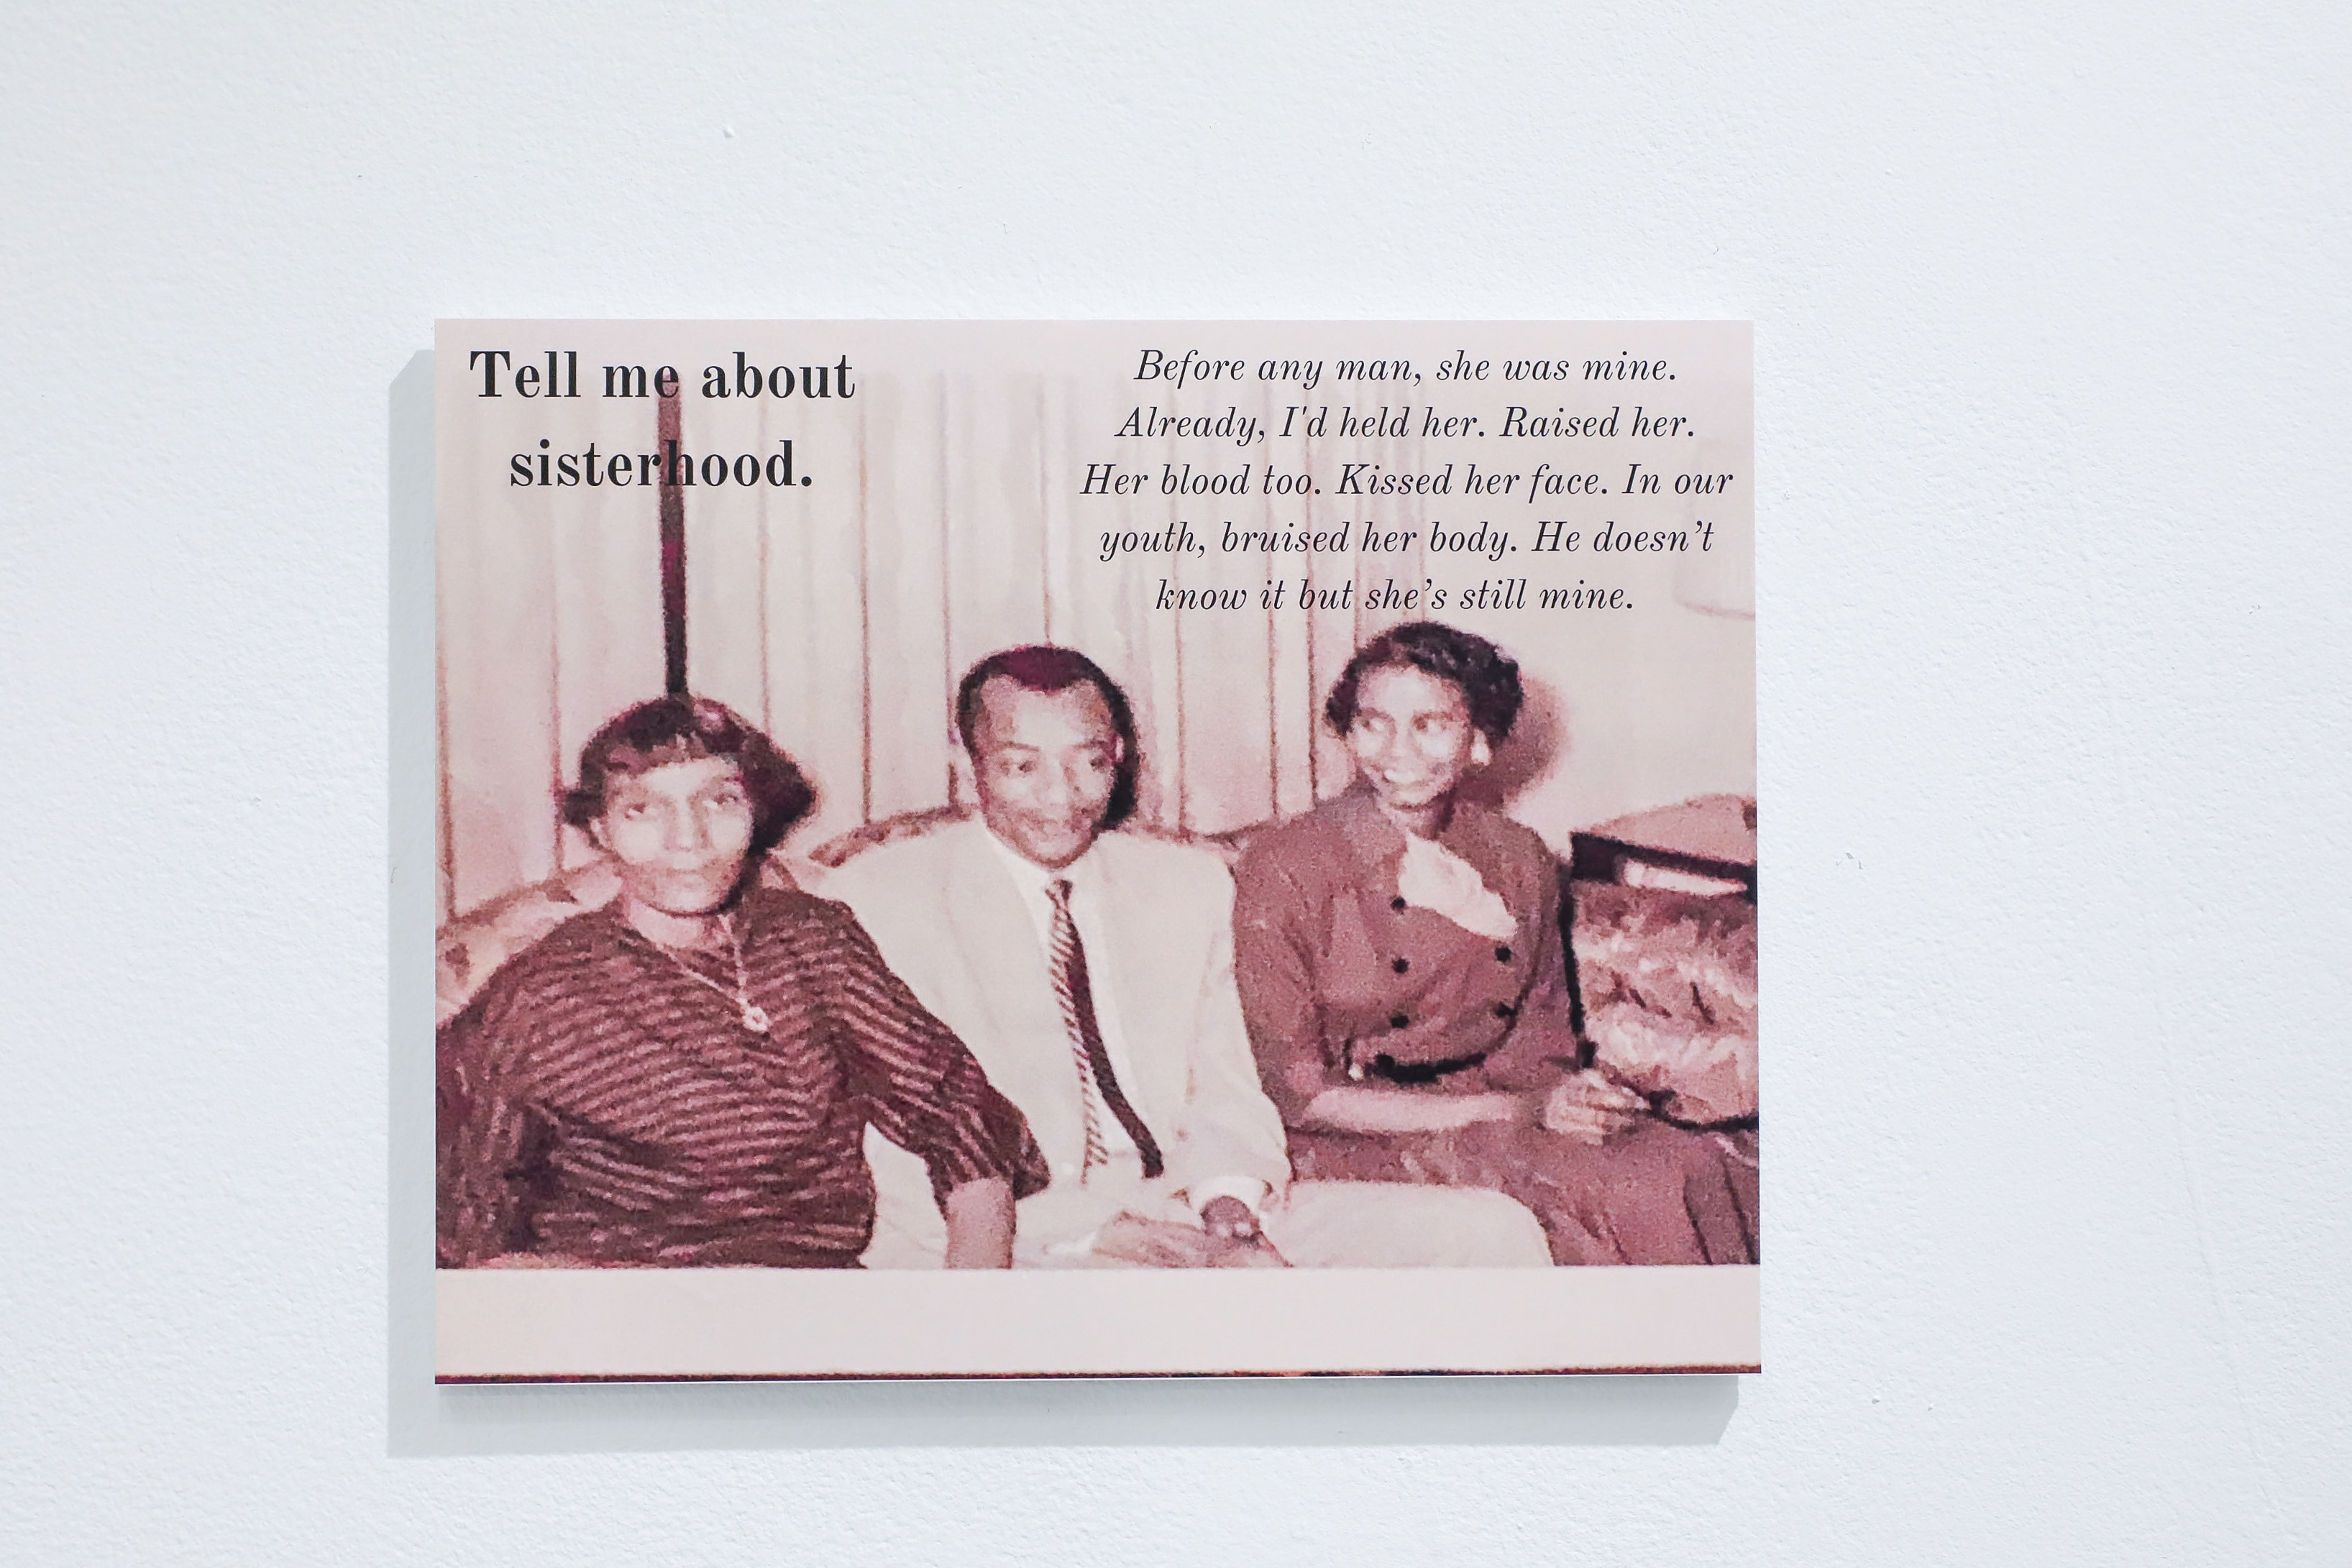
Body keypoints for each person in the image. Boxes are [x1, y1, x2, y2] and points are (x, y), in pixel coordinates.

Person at [820, 646, 1552, 1269]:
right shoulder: (879, 898)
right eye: (1021, 767)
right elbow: (889, 1146)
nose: (1061, 798)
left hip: (1185, 1199)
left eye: (1088, 764)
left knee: (1490, 1235)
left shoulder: (1184, 884)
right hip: (1017, 1234)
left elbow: (1225, 1076)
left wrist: (1227, 1200)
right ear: (965, 763)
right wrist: (1091, 1233)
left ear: (1120, 756)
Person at [437, 695, 1040, 1270]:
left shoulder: (812, 941)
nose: (688, 838)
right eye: (643, 809)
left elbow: (959, 1114)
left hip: (812, 1304)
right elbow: (459, 1223)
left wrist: (972, 1303)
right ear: (600, 830)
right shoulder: (540, 995)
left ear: (755, 810)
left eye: (718, 801)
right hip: (620, 1316)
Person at [1231, 622, 1756, 1265]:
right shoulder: (1285, 865)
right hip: (1347, 1132)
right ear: (1347, 731)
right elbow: (1299, 1094)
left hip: (1497, 1107)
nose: (1398, 750)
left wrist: (1571, 1100)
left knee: (1694, 1163)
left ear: (1479, 741)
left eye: (1430, 724)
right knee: (1634, 1189)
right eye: (1372, 722)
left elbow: (1541, 1040)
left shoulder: (1517, 857)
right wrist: (1520, 1111)